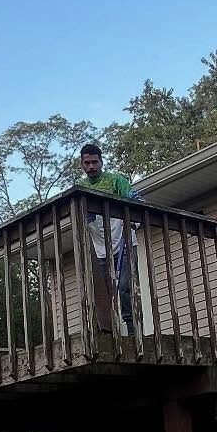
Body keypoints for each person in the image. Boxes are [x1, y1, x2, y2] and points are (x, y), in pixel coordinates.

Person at [73, 142, 139, 331]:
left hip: (124, 242)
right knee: (102, 293)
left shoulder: (116, 181)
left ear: (101, 162)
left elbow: (137, 200)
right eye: (87, 163)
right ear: (82, 164)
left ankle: (132, 328)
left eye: (95, 162)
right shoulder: (80, 189)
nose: (91, 166)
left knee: (126, 286)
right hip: (100, 249)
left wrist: (133, 219)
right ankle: (108, 332)